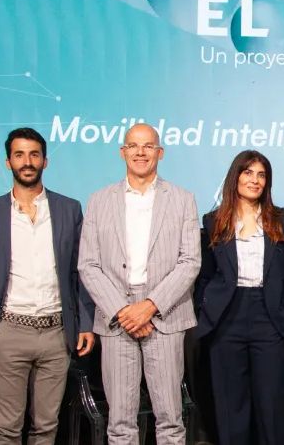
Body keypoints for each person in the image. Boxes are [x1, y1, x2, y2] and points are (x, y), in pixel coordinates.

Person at [0, 127, 96, 444]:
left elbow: (79, 271)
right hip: (8, 333)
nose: (27, 162)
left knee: (47, 427)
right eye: (19, 155)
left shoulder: (69, 209)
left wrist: (85, 323)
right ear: (8, 162)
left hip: (56, 334)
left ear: (45, 161)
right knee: (6, 430)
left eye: (34, 155)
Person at [78, 123, 202, 445]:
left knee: (171, 420)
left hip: (165, 316)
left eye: (148, 146)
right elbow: (88, 265)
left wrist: (149, 306)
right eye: (133, 145)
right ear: (123, 152)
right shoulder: (98, 200)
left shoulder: (183, 199)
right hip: (116, 318)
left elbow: (190, 261)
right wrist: (124, 311)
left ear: (160, 153)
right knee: (120, 423)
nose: (140, 152)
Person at [195, 150, 284, 445]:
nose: (255, 180)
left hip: (270, 317)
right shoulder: (214, 221)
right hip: (226, 318)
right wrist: (207, 308)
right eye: (248, 172)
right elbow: (205, 275)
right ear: (236, 177)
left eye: (261, 175)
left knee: (272, 406)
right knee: (231, 408)